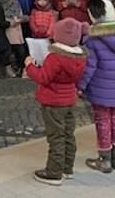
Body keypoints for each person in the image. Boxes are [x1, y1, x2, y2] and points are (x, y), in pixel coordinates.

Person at [25, 18, 88, 186]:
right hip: (69, 99)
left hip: (53, 101)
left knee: (56, 137)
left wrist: (29, 66)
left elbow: (43, 77)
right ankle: (67, 168)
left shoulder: (55, 57)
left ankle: (53, 172)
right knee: (68, 134)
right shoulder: (80, 56)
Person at [77, 0, 115, 174]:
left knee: (102, 120)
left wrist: (81, 86)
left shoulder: (93, 41)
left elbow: (89, 68)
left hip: (101, 89)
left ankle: (105, 159)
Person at [3, 0, 28, 75]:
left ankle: (20, 67)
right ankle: (10, 67)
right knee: (10, 50)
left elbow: (20, 14)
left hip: (17, 28)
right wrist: (11, 21)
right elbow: (3, 17)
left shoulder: (17, 3)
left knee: (21, 50)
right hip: (9, 29)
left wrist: (21, 19)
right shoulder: (4, 4)